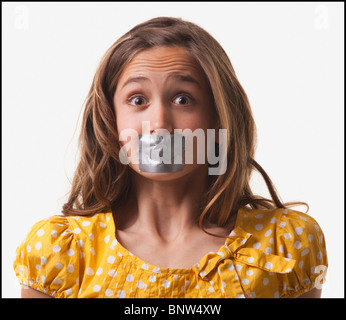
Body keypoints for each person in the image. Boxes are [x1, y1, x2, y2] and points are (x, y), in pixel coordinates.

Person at [13, 17, 328, 298]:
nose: (160, 124)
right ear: (112, 121)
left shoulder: (284, 246)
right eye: (138, 100)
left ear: (219, 117)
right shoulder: (62, 254)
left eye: (183, 99)